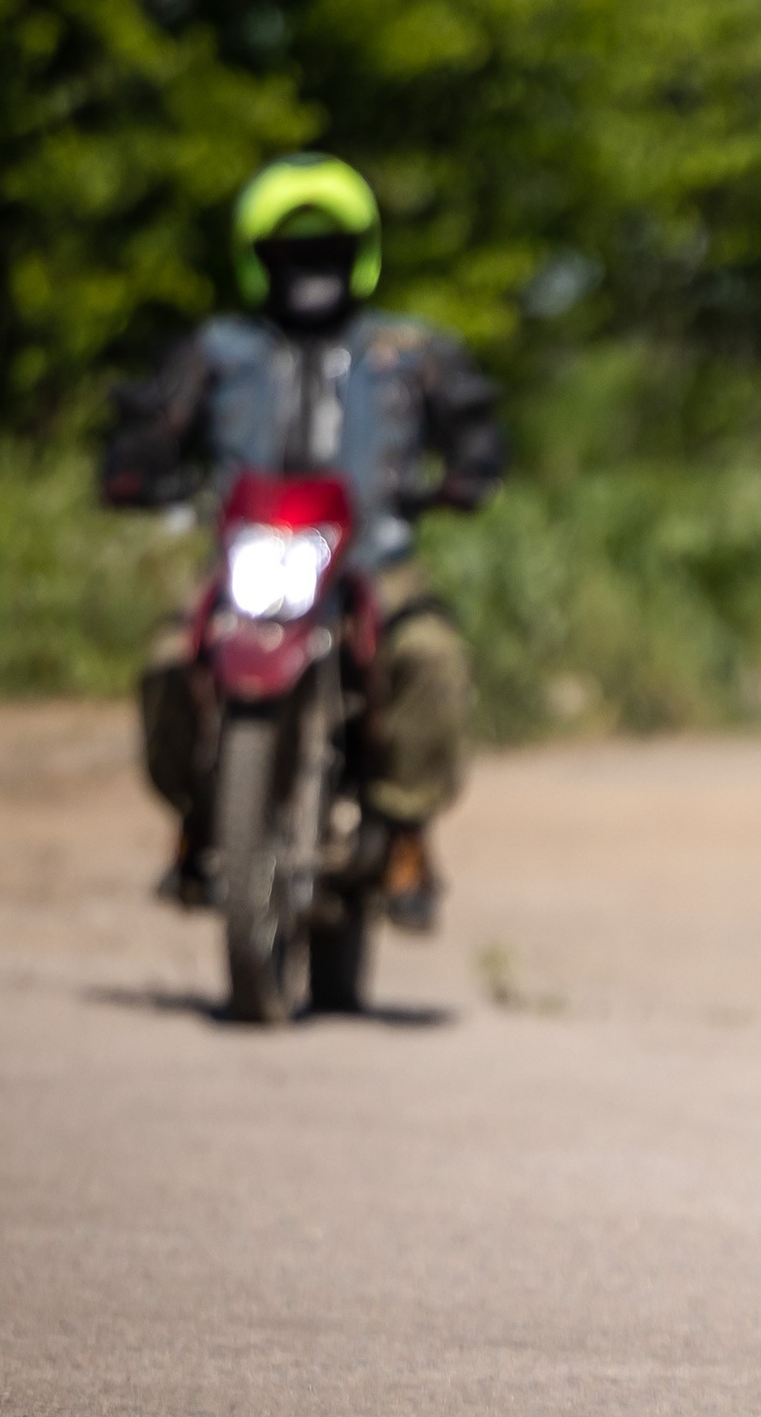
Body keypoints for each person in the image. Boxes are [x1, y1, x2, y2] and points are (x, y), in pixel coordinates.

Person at [100, 153, 504, 933]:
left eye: (326, 250)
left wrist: (464, 476)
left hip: (373, 560)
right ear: (259, 257)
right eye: (293, 252)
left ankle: (405, 830)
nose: (310, 269)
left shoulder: (408, 349)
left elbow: (475, 425)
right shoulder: (218, 351)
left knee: (432, 659)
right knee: (168, 662)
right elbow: (149, 424)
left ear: (361, 252)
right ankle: (199, 813)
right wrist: (137, 473)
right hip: (248, 556)